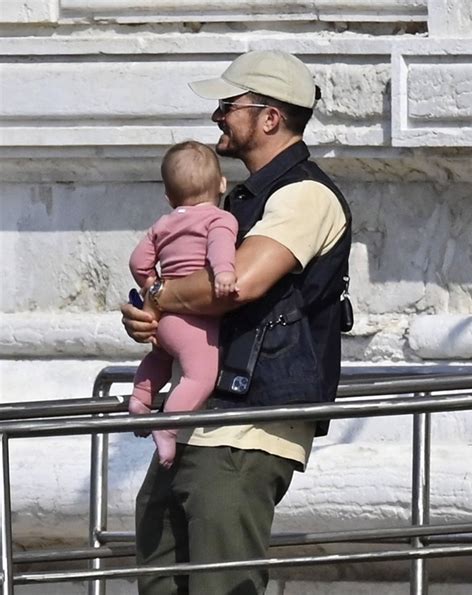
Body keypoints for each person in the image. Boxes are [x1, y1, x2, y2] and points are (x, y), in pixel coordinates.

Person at [121, 50, 352, 595]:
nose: (217, 116)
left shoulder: (305, 195)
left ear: (270, 117)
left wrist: (158, 295)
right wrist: (152, 320)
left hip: (250, 426)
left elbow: (238, 284)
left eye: (229, 105)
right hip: (204, 416)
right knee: (157, 577)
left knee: (219, 586)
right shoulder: (239, 201)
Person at [128, 141, 238, 468]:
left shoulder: (163, 225)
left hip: (164, 316)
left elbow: (137, 262)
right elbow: (220, 248)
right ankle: (167, 426)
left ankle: (140, 398)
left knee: (161, 355)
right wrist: (224, 273)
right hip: (193, 321)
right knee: (201, 375)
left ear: (169, 197)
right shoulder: (220, 219)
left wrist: (151, 285)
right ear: (222, 184)